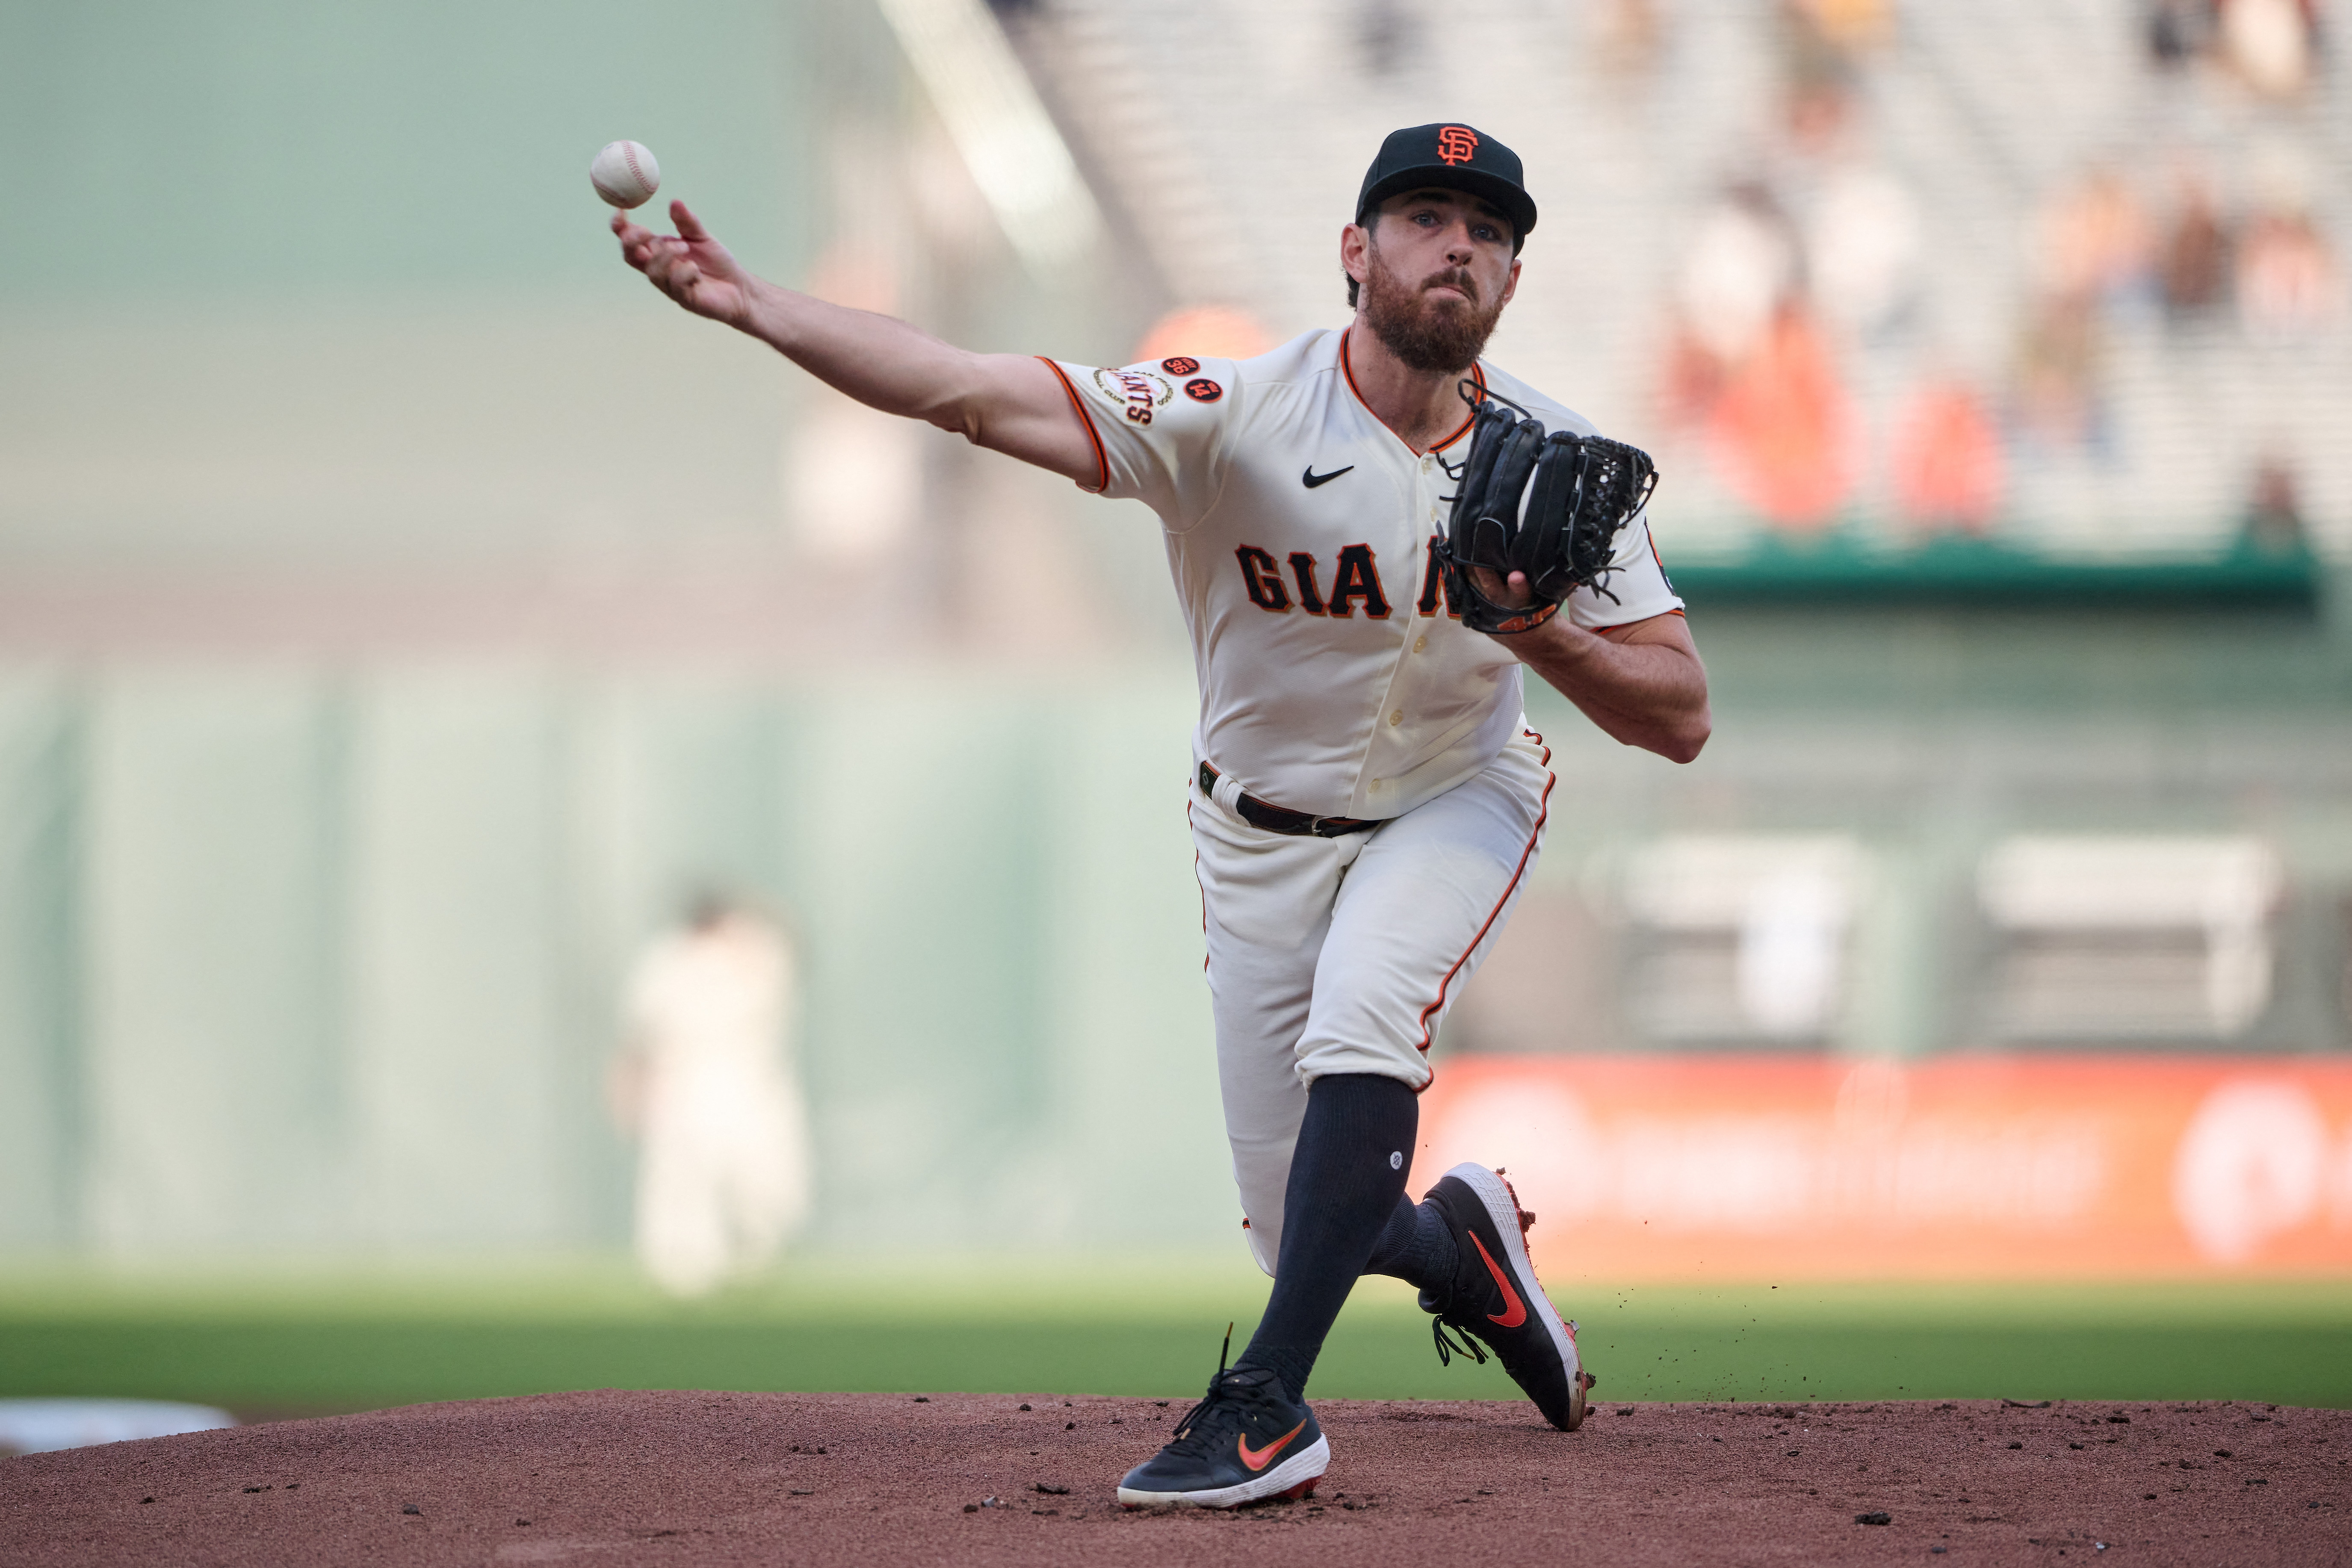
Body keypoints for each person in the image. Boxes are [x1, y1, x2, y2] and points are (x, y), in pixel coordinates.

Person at [613, 122, 1710, 1507]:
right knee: (1304, 1218)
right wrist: (762, 307)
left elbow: (1679, 712)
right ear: (1354, 250)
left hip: (1456, 794)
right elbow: (970, 388)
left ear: (1508, 276)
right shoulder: (1230, 408)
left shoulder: (1554, 460)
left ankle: (1263, 1406)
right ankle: (1460, 1250)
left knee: (1367, 1008)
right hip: (1255, 833)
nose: (1460, 247)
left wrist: (1538, 633)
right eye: (1427, 215)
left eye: (1490, 232)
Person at [610, 896, 811, 1297]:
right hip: (684, 1082)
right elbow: (642, 1033)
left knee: (767, 1185)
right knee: (681, 1183)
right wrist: (629, 1088)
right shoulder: (668, 961)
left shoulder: (758, 953)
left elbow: (794, 950)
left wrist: (751, 931)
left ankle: (749, 1256)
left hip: (751, 1082)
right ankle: (683, 1275)